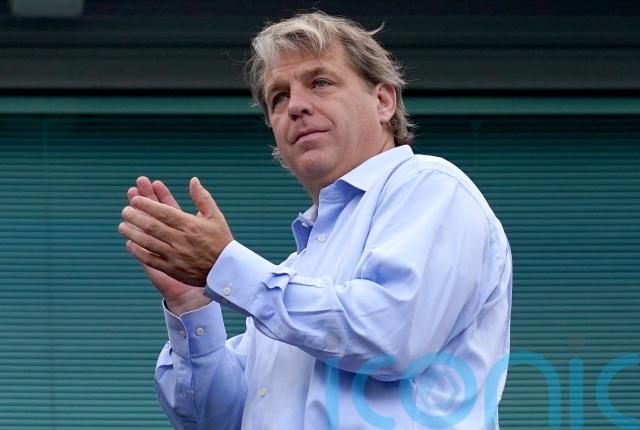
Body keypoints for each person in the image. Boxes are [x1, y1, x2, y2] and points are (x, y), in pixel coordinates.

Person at [118, 11, 512, 430]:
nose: (296, 106)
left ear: (383, 101)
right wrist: (191, 303)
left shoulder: (431, 186)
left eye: (320, 82)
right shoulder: (292, 275)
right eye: (278, 97)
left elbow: (392, 335)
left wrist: (225, 265)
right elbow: (216, 420)